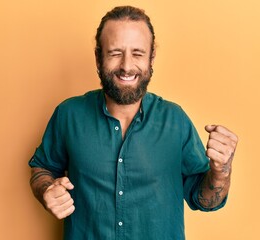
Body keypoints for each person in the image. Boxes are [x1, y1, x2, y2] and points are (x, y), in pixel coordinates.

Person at [29, 5, 238, 240]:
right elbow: (42, 168)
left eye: (137, 53)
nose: (127, 66)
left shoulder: (176, 121)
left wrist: (221, 172)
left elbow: (205, 201)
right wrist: (47, 189)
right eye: (115, 53)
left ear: (151, 58)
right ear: (98, 58)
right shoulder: (69, 114)